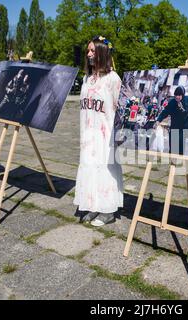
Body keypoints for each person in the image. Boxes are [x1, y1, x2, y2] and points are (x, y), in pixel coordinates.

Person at [73, 36, 123, 227]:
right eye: (88, 50)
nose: (89, 54)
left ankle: (107, 210)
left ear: (102, 52)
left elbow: (120, 110)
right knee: (89, 168)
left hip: (106, 135)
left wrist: (119, 136)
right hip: (88, 134)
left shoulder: (113, 79)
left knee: (105, 170)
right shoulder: (86, 78)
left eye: (93, 51)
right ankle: (92, 204)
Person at [153, 86, 188, 155]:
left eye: (179, 95)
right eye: (176, 95)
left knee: (181, 148)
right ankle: (172, 163)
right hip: (175, 127)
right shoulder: (172, 102)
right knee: (173, 148)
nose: (177, 97)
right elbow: (165, 112)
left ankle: (179, 162)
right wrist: (158, 120)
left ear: (182, 95)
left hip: (185, 127)